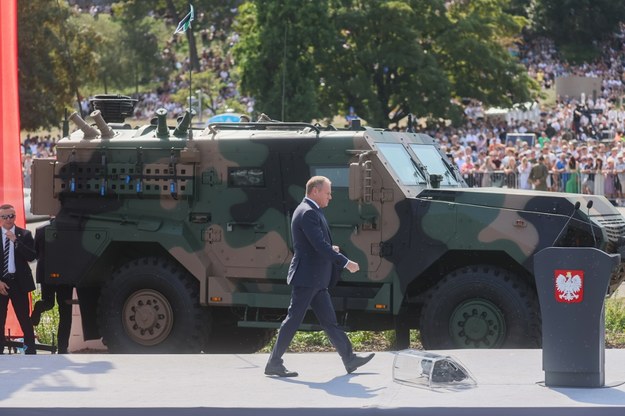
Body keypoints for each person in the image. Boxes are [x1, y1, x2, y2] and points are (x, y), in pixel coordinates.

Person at [265, 176, 374, 377]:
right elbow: (319, 245)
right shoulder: (307, 213)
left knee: (329, 321)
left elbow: (314, 244)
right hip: (308, 277)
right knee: (293, 319)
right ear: (315, 191)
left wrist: (329, 249)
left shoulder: (312, 211)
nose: (330, 197)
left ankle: (349, 359)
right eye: (328, 192)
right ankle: (274, 362)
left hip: (315, 278)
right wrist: (345, 262)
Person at [30, 223, 73, 354]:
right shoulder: (70, 228)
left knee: (48, 302)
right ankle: (62, 348)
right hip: (65, 274)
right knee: (65, 312)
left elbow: (35, 253)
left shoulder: (40, 230)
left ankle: (39, 306)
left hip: (46, 272)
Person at [0, 204, 37, 354]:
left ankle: (30, 350)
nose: (9, 219)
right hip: (2, 283)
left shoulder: (25, 235)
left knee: (24, 318)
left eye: (11, 216)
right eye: (5, 216)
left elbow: (31, 256)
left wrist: (16, 241)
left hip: (19, 283)